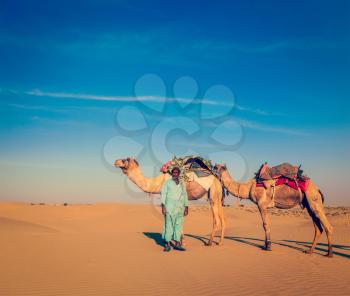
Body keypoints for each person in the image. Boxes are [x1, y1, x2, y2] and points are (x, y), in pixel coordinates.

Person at [161, 167, 189, 252]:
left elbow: (185, 195)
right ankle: (167, 244)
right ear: (172, 173)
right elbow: (163, 194)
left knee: (178, 225)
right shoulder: (167, 183)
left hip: (180, 207)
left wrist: (186, 206)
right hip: (169, 206)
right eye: (174, 172)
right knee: (168, 225)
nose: (175, 174)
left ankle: (177, 243)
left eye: (177, 172)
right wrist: (163, 206)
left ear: (179, 174)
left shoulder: (182, 184)